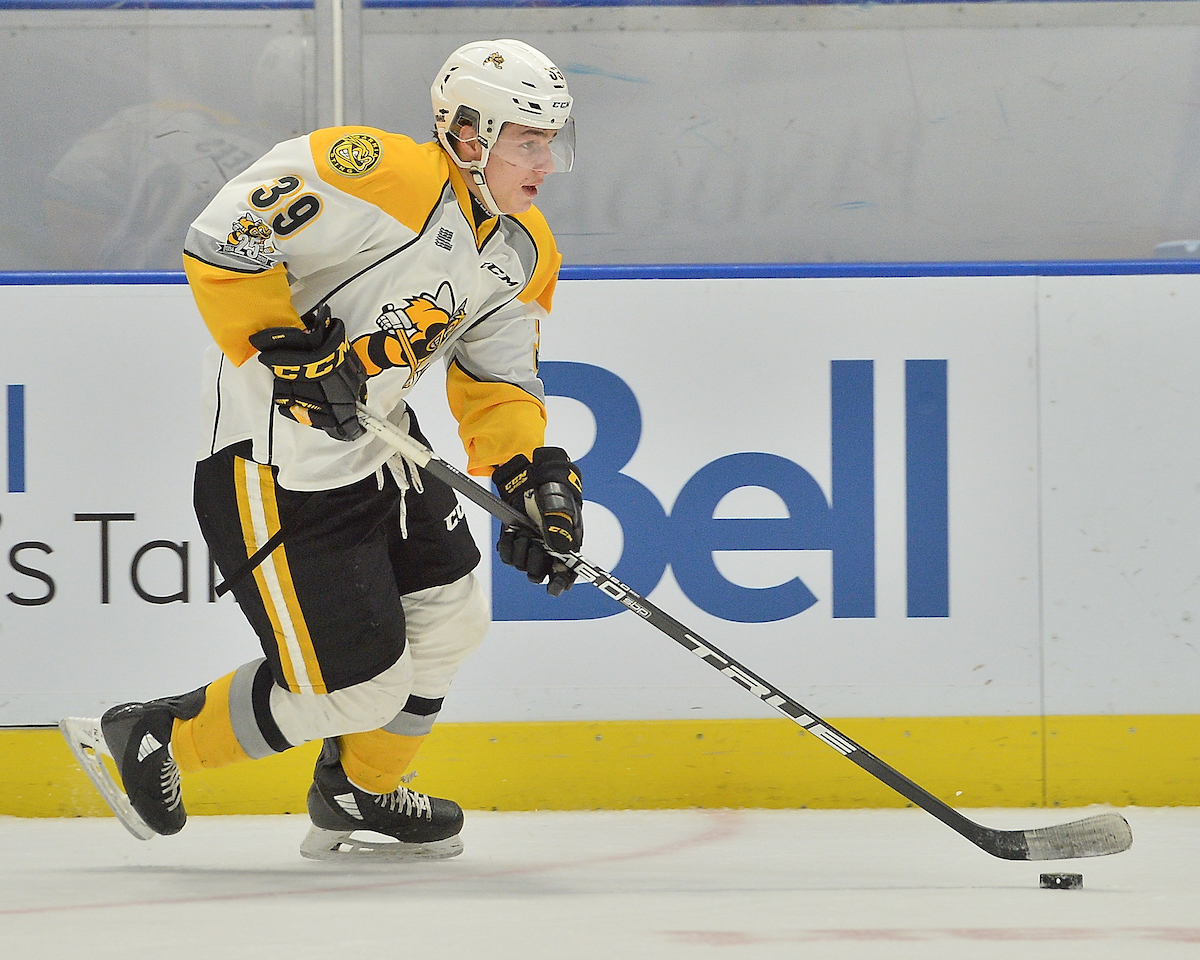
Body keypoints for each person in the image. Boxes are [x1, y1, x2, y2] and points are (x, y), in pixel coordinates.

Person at [61, 38, 584, 862]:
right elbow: (224, 234)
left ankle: (359, 794)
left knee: (450, 620)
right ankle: (153, 735)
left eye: (554, 140)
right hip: (275, 456)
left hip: (382, 444)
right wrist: (279, 341)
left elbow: (499, 378)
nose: (547, 162)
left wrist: (532, 476)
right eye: (530, 140)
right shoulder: (378, 171)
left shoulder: (522, 247)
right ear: (471, 134)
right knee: (356, 688)